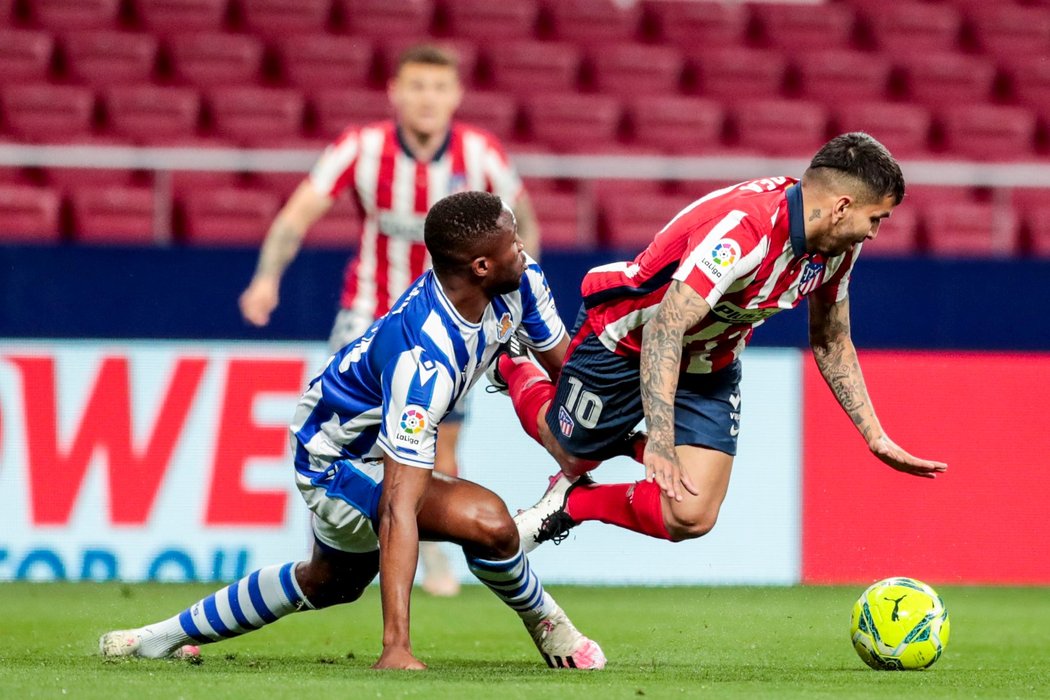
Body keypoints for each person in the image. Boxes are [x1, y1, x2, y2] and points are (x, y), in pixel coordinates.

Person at [100, 192, 602, 671]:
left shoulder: (520, 281)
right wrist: (396, 646)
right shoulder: (422, 359)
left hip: (362, 443)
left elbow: (569, 374)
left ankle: (158, 637)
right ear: (481, 267)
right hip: (332, 458)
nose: (524, 250)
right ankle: (549, 625)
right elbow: (397, 506)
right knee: (489, 523)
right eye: (513, 243)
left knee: (328, 583)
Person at [492, 132, 947, 553]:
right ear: (843, 206)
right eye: (876, 218)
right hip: (629, 337)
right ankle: (511, 361)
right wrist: (662, 441)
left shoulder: (839, 247)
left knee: (691, 514)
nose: (874, 233)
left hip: (711, 359)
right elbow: (665, 328)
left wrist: (875, 436)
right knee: (570, 448)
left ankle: (571, 506)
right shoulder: (743, 231)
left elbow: (830, 339)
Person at [238, 44, 540, 596]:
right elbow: (299, 212)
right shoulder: (361, 147)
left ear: (457, 95)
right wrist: (266, 278)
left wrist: (517, 303)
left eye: (439, 87)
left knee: (439, 446)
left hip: (451, 324)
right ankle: (335, 552)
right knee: (347, 437)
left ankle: (433, 564)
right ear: (395, 93)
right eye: (417, 86)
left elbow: (524, 226)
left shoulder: (481, 153)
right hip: (367, 319)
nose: (428, 99)